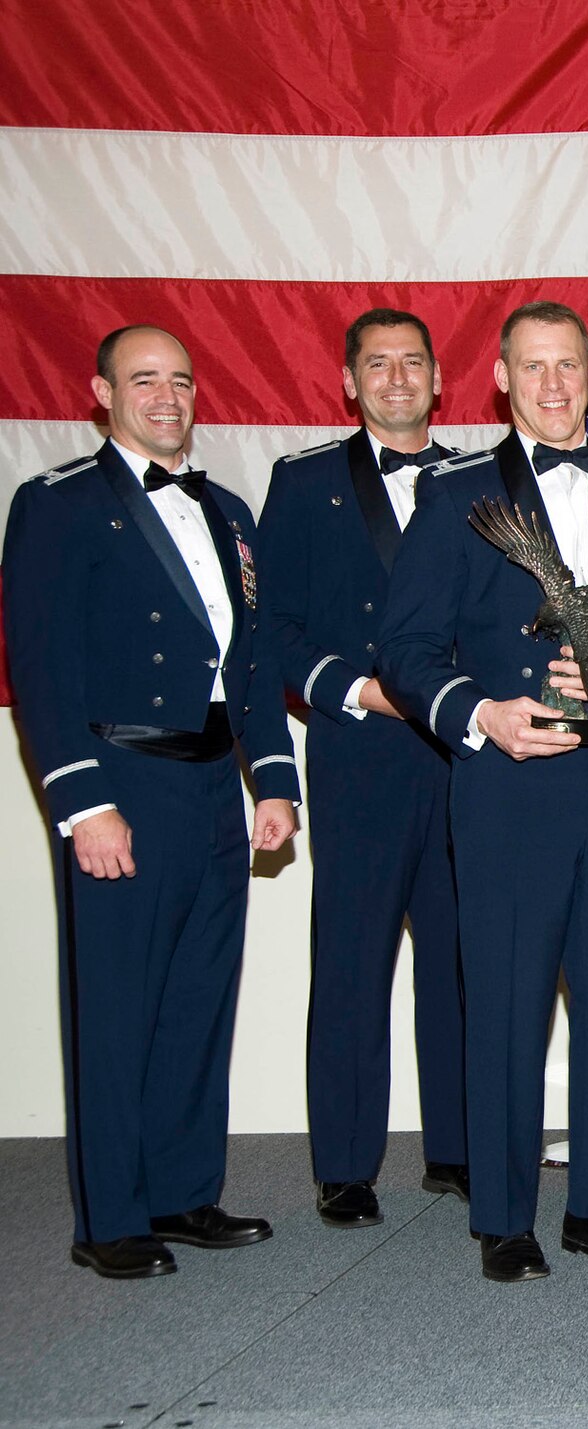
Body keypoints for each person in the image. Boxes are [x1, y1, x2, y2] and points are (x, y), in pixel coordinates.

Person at [376, 300, 588, 1283]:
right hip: (510, 782)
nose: (554, 385)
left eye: (569, 366)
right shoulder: (455, 493)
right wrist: (484, 713)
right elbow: (406, 648)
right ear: (503, 379)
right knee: (507, 1003)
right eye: (534, 368)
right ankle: (504, 1217)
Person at [4, 324, 301, 1278]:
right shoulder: (56, 505)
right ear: (101, 391)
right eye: (144, 380)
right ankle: (111, 1217)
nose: (166, 396)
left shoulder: (231, 513)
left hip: (214, 782)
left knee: (197, 999)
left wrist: (274, 779)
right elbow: (41, 668)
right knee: (117, 1004)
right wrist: (82, 802)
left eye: (179, 379)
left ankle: (182, 1192)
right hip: (119, 779)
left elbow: (249, 667)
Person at [261, 308, 467, 1228]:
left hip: (465, 758)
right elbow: (278, 633)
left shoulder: (477, 482)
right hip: (360, 755)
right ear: (349, 381)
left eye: (411, 362)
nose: (395, 379)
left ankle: (458, 1147)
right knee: (351, 962)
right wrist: (361, 691)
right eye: (376, 365)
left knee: (463, 961)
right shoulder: (301, 483)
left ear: (438, 377)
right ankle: (345, 1164)